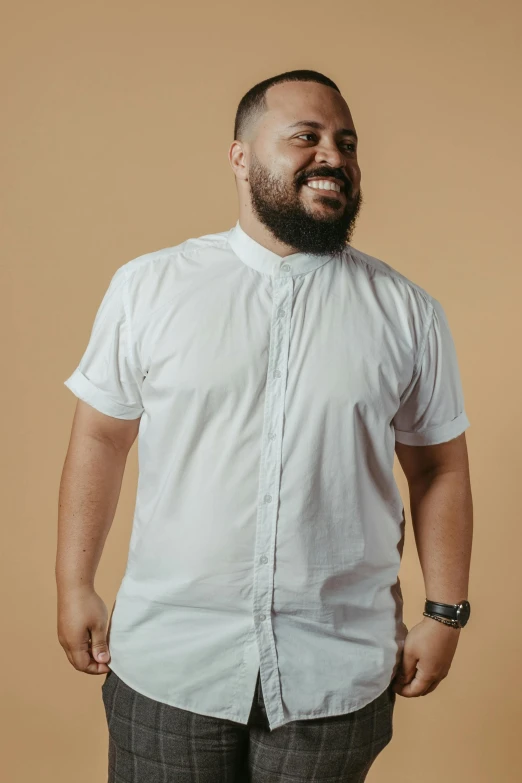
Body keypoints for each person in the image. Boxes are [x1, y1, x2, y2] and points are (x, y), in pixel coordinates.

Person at [56, 69, 473, 782]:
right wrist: (74, 583)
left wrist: (445, 611)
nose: (333, 155)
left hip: (337, 669)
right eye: (305, 137)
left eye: (346, 142)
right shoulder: (149, 288)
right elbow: (100, 436)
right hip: (169, 663)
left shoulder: (407, 311)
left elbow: (439, 468)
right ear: (240, 157)